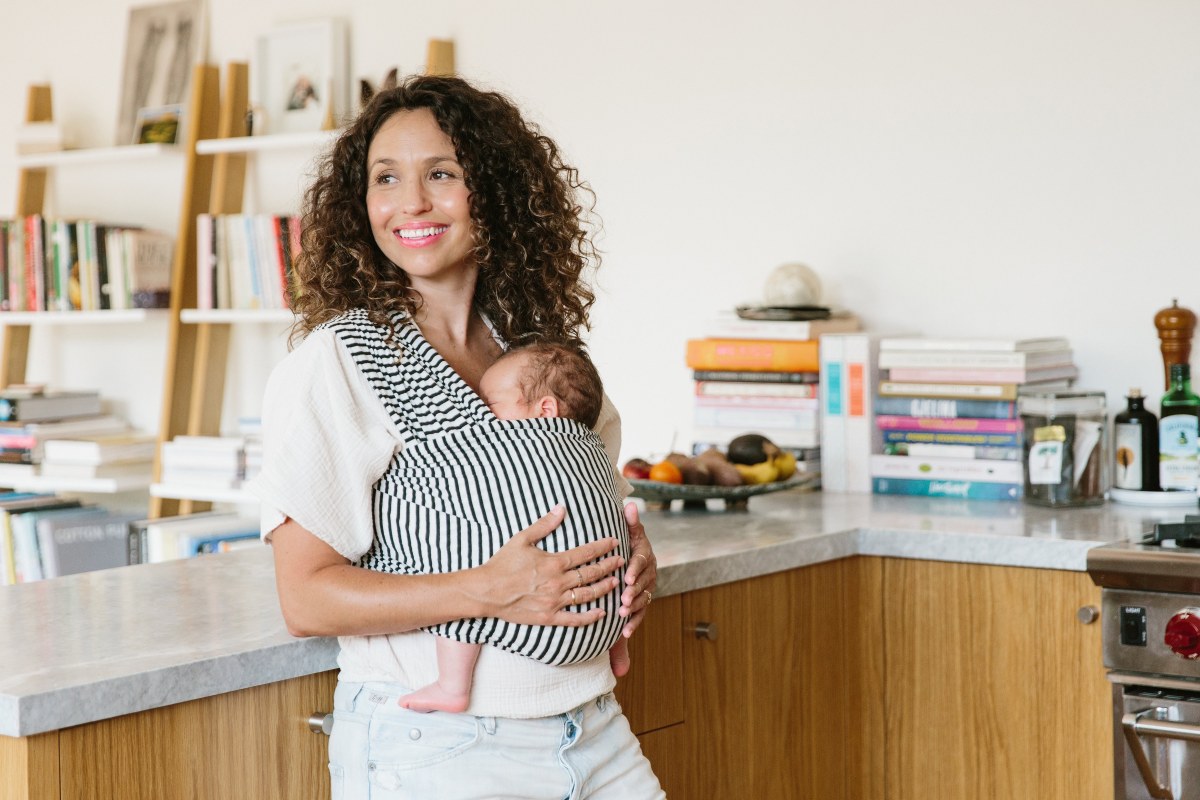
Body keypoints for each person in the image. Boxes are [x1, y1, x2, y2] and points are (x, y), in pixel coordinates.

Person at [251, 73, 663, 799]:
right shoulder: (338, 364)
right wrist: (485, 589)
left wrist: (631, 563)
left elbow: (594, 503)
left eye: (441, 173)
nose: (410, 202)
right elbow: (306, 600)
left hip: (594, 728)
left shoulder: (541, 358)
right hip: (442, 748)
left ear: (496, 192)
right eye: (386, 178)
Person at [398, 341, 632, 714]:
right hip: (604, 623)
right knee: (611, 553)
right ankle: (618, 649)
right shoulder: (594, 454)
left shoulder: (512, 450)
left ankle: (452, 685)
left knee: (459, 558)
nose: (484, 418)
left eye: (491, 406)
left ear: (545, 410)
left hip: (544, 631)